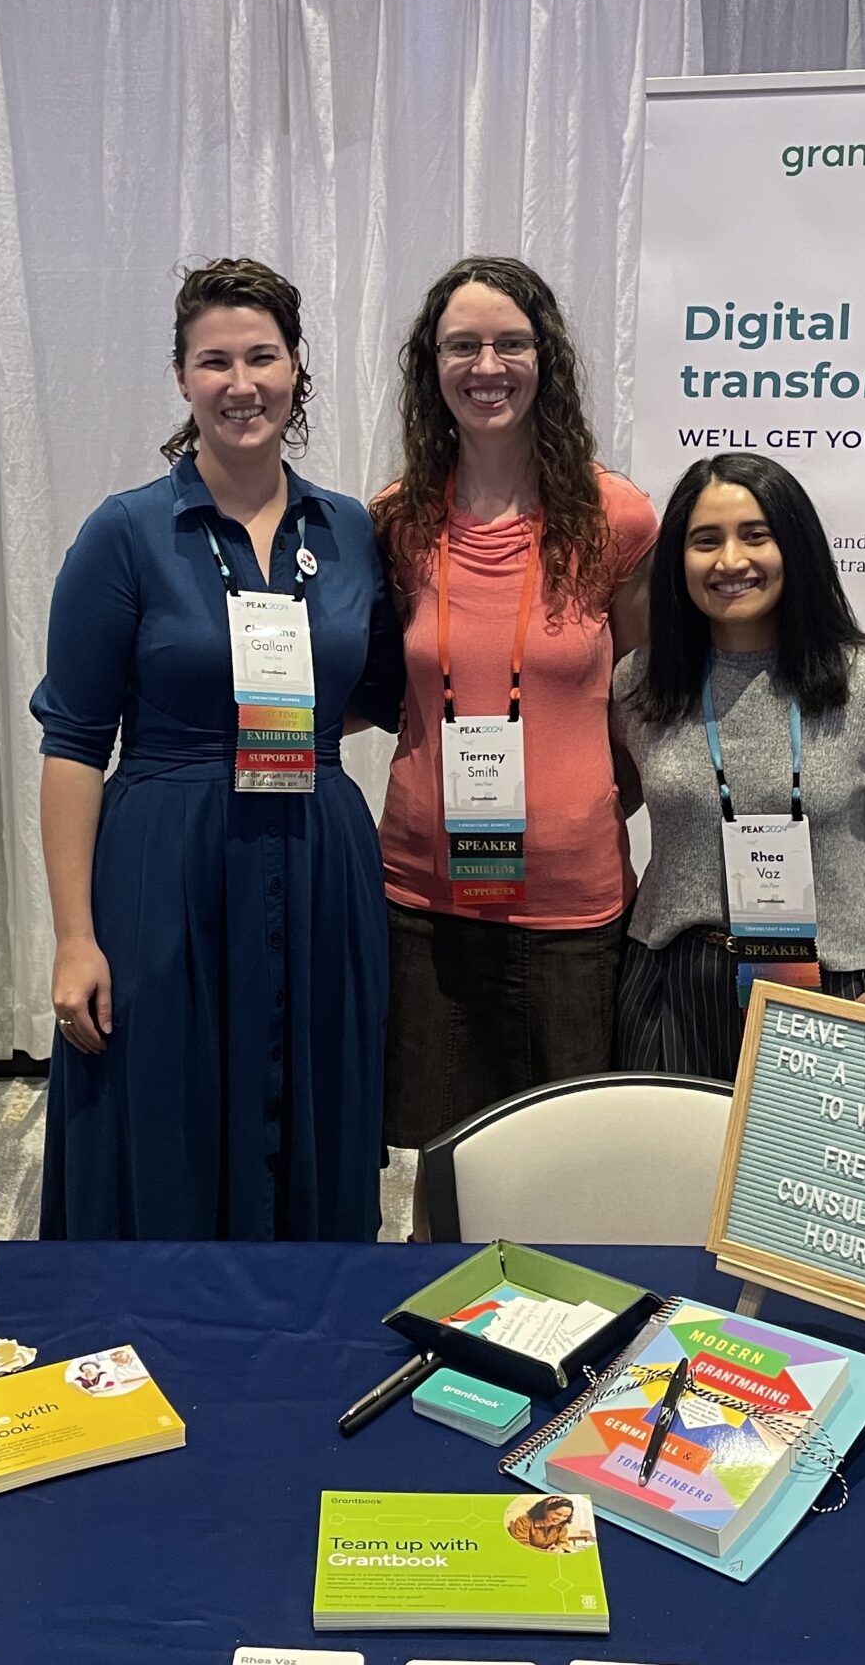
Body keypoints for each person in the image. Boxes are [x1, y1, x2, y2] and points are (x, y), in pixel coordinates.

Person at [31, 257, 403, 1240]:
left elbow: (370, 694)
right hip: (164, 855)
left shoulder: (353, 530)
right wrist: (74, 937)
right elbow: (72, 742)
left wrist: (290, 734)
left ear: (296, 372)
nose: (241, 384)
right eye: (214, 362)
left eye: (262, 357)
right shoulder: (125, 535)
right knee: (162, 1102)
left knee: (314, 1087)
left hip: (318, 848)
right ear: (184, 380)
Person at [373, 255, 656, 1151]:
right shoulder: (394, 520)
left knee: (567, 1166)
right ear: (432, 366)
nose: (485, 366)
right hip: (423, 900)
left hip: (573, 910)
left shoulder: (617, 517)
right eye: (462, 345)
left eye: (510, 343)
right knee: (439, 1163)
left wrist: (586, 807)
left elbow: (647, 703)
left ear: (547, 359)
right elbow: (372, 683)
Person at [612, 453, 865, 1078]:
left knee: (802, 1176)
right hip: (671, 986)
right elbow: (605, 801)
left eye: (756, 535)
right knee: (672, 1175)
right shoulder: (641, 684)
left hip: (832, 988)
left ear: (794, 547)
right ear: (677, 562)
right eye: (704, 541)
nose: (730, 562)